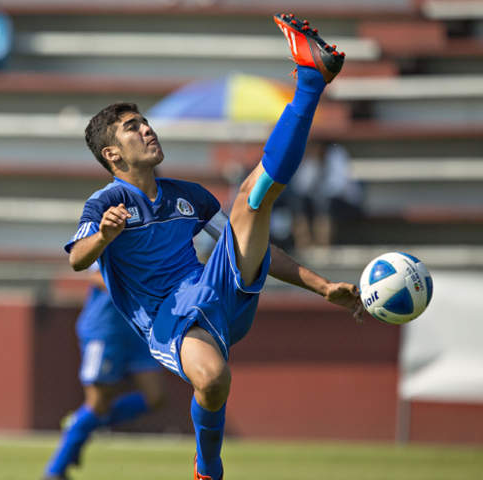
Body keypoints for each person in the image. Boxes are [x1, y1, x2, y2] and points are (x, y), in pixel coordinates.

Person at [65, 14, 364, 480]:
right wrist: (103, 236)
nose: (147, 130)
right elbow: (76, 259)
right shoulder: (108, 201)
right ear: (113, 155)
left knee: (253, 198)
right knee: (213, 379)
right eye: (132, 127)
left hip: (213, 289)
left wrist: (323, 286)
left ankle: (310, 79)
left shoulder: (190, 196)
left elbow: (250, 246)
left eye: (145, 122)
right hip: (169, 317)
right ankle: (208, 468)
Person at [43, 268, 165, 480]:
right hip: (104, 331)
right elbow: (93, 273)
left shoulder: (155, 237)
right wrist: (133, 287)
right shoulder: (111, 236)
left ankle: (80, 425)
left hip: (137, 330)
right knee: (98, 403)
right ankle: (55, 471)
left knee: (155, 397)